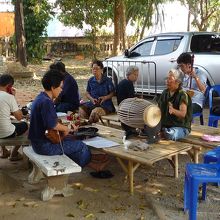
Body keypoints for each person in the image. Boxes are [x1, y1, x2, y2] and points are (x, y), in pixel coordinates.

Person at [28, 69, 108, 170]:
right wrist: (68, 129)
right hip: (44, 146)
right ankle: (88, 164)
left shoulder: (40, 97)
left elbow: (50, 123)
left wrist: (67, 131)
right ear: (53, 88)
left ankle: (90, 159)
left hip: (38, 143)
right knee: (81, 146)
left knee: (71, 139)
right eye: (60, 87)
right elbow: (53, 125)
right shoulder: (46, 102)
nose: (62, 90)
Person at [158, 69, 192, 141]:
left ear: (178, 81)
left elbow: (182, 114)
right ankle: (163, 131)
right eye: (167, 78)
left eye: (170, 78)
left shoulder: (182, 95)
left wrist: (173, 110)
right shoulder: (165, 93)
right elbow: (159, 109)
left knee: (170, 134)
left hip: (180, 127)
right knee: (147, 128)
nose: (167, 81)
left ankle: (165, 132)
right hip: (165, 125)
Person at [0, 74, 28, 161]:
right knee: (27, 125)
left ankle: (4, 151)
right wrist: (13, 97)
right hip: (6, 133)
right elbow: (19, 117)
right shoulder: (9, 97)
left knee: (5, 122)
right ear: (9, 86)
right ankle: (14, 153)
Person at [116, 66, 139, 138]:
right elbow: (131, 100)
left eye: (137, 75)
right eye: (135, 75)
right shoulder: (129, 83)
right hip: (127, 113)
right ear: (129, 74)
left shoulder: (122, 82)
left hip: (122, 110)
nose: (136, 77)